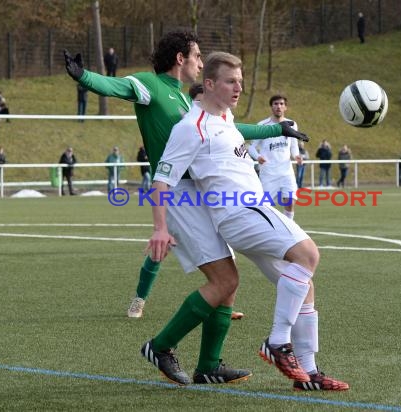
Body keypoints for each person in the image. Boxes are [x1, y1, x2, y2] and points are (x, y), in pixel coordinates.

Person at [63, 31, 303, 328]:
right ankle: (144, 304)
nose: (201, 64)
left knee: (220, 255)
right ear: (180, 58)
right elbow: (117, 86)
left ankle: (217, 308)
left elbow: (231, 129)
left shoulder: (186, 98)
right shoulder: (152, 85)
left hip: (199, 187)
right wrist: (83, 76)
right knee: (166, 245)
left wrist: (277, 130)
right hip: (173, 189)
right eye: (198, 57)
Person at [147, 51, 349, 391]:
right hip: (241, 213)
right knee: (308, 255)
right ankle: (276, 342)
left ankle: (309, 374)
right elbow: (162, 180)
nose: (238, 88)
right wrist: (160, 228)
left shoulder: (225, 118)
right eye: (230, 82)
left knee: (303, 284)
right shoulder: (191, 128)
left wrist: (277, 130)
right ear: (209, 84)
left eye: (240, 81)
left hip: (253, 210)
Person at [248, 94, 302, 220]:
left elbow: (293, 146)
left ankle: (289, 228)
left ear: (286, 107)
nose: (279, 106)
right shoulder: (262, 125)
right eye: (276, 104)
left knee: (290, 201)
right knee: (265, 206)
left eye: (281, 104)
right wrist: (258, 157)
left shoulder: (292, 124)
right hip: (268, 173)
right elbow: (251, 147)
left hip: (286, 172)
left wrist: (297, 156)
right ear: (271, 107)